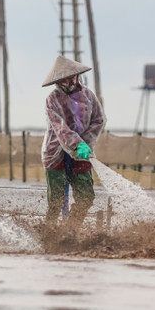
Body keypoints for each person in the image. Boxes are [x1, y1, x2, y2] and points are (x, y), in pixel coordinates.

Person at [41, 55, 106, 226]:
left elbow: (98, 120)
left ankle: (70, 230)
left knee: (86, 197)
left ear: (77, 77)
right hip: (56, 153)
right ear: (57, 81)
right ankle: (48, 231)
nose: (67, 82)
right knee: (55, 202)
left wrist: (85, 143)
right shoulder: (52, 99)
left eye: (70, 78)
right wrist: (77, 143)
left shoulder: (89, 96)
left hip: (82, 153)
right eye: (62, 80)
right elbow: (60, 127)